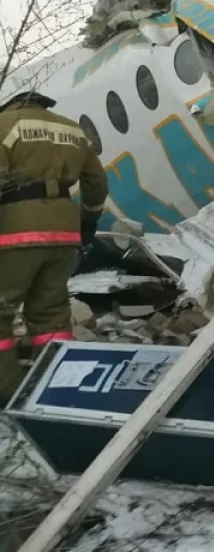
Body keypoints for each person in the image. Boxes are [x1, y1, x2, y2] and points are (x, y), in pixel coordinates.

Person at [0, 91, 108, 405]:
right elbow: (97, 183)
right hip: (64, 230)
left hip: (14, 232)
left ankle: (7, 394)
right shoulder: (72, 129)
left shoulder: (4, 125)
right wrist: (88, 222)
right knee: (51, 315)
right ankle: (54, 385)